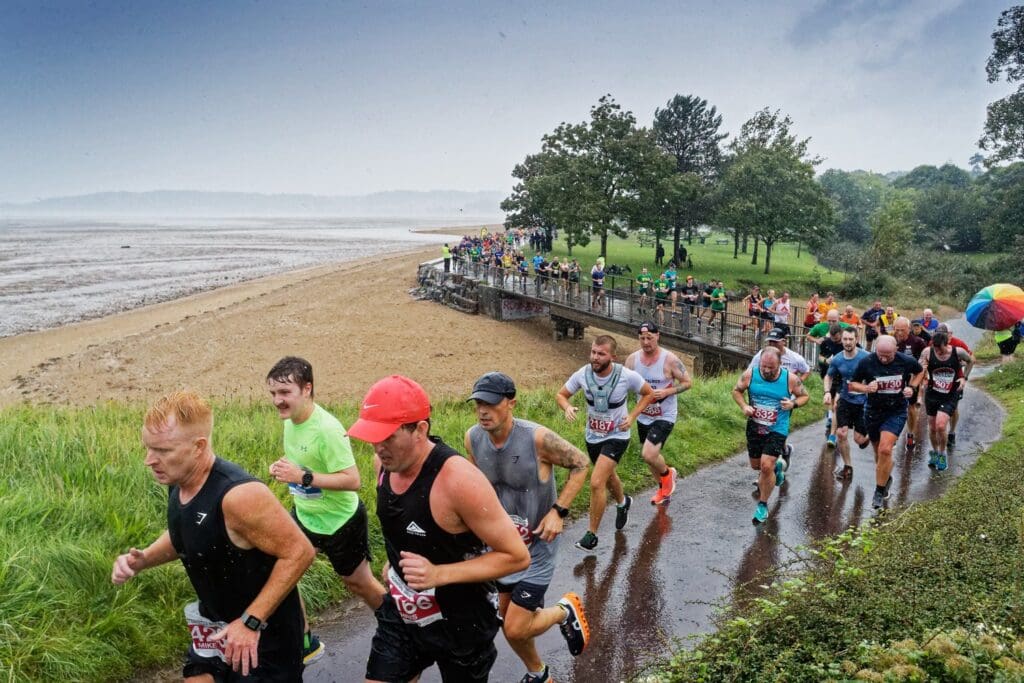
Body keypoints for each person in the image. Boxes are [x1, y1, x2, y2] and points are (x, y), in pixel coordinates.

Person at [112, 391, 314, 681]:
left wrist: (250, 622)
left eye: (163, 451)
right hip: (213, 627)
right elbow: (187, 529)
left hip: (262, 636)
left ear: (198, 447)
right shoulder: (179, 478)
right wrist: (143, 559)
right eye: (148, 448)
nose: (149, 460)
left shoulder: (239, 496)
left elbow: (300, 552)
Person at [347, 375, 530, 683]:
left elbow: (516, 557)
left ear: (420, 429)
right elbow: (406, 525)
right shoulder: (385, 464)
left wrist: (438, 574)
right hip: (404, 613)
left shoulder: (459, 481)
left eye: (388, 437)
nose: (378, 447)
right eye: (373, 437)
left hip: (462, 622)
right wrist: (395, 561)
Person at [465, 372, 592, 683]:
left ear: (511, 403)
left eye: (491, 404)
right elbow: (474, 484)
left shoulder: (536, 439)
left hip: (537, 549)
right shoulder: (473, 438)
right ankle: (540, 674)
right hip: (502, 549)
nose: (483, 410)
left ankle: (565, 611)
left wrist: (558, 511)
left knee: (516, 626)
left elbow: (581, 463)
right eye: (479, 403)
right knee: (509, 622)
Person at [264, 357, 386, 665]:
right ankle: (305, 640)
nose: (278, 400)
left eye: (285, 392)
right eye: (273, 393)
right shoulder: (292, 422)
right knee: (281, 570)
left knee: (358, 583)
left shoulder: (328, 429)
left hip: (339, 522)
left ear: (307, 389)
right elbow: (305, 465)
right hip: (305, 515)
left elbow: (353, 480)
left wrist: (302, 477)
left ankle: (397, 626)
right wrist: (285, 469)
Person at [557, 335, 654, 551]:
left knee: (596, 481)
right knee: (609, 478)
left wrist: (632, 417)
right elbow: (561, 395)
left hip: (617, 436)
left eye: (601, 354)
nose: (595, 357)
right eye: (593, 352)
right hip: (593, 436)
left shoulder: (626, 376)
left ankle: (591, 536)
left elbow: (648, 394)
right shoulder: (583, 374)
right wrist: (567, 408)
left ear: (612, 356)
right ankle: (623, 502)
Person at [732, 346, 809, 523]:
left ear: (780, 364)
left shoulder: (789, 379)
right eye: (764, 366)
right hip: (755, 426)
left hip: (777, 428)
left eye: (771, 367)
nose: (766, 370)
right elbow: (736, 391)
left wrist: (793, 404)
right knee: (756, 466)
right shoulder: (751, 374)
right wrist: (744, 406)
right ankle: (778, 469)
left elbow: (805, 396)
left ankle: (762, 505)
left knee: (766, 466)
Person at [849, 335, 925, 510]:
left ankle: (879, 490)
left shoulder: (905, 361)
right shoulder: (867, 362)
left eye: (888, 356)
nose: (883, 359)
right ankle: (885, 477)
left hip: (896, 410)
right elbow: (852, 385)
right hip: (873, 411)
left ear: (895, 350)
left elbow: (920, 371)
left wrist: (911, 387)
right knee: (879, 453)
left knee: (885, 449)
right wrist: (866, 388)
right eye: (880, 355)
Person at [624, 321, 692, 505]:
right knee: (650, 459)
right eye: (642, 338)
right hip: (644, 414)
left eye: (650, 338)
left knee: (648, 453)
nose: (646, 342)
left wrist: (667, 392)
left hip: (665, 414)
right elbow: (624, 384)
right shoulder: (632, 360)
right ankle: (663, 489)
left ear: (658, 336)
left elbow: (687, 382)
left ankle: (668, 474)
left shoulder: (669, 359)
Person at [919, 331, 973, 471]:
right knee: (932, 427)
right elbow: (918, 368)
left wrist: (964, 377)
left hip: (950, 394)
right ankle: (935, 452)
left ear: (946, 344)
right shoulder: (927, 352)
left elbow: (971, 361)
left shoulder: (958, 352)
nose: (938, 351)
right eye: (935, 348)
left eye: (940, 348)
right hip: (932, 393)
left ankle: (942, 454)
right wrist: (923, 369)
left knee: (941, 425)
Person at [824, 328, 871, 480]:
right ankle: (848, 467)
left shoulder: (866, 357)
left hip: (863, 402)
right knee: (841, 433)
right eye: (845, 339)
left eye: (851, 339)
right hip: (845, 399)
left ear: (857, 340)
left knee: (859, 440)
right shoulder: (837, 359)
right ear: (841, 340)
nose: (848, 342)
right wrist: (827, 392)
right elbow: (828, 377)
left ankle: (869, 434)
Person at [892, 316, 927, 451]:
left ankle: (910, 433)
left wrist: (916, 382)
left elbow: (924, 362)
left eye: (902, 330)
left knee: (910, 407)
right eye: (897, 330)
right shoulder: (891, 340)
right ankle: (893, 435)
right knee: (893, 406)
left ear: (909, 329)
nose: (899, 333)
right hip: (895, 377)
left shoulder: (918, 342)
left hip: (912, 377)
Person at [815, 324, 845, 447]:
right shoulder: (826, 342)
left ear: (841, 334)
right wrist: (825, 361)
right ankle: (830, 415)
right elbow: (820, 357)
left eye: (837, 338)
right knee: (831, 400)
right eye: (832, 338)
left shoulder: (847, 343)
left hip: (842, 377)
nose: (834, 341)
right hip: (828, 374)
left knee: (836, 404)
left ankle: (832, 432)